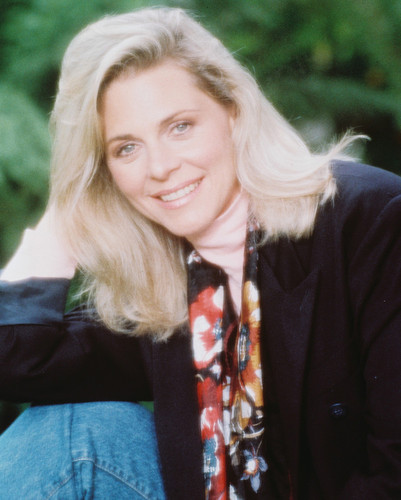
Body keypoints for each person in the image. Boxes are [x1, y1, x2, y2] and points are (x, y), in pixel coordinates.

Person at [0, 6, 401, 499]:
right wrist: (70, 207)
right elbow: (15, 360)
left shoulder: (368, 219)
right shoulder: (166, 282)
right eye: (126, 148)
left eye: (180, 127)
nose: (159, 167)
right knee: (71, 431)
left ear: (234, 111)